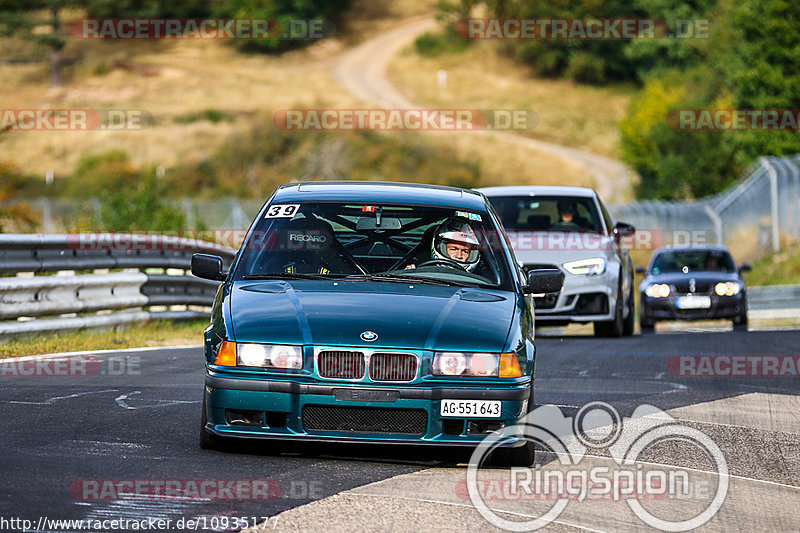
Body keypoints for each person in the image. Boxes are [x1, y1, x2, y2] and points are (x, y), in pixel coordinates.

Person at [405, 218, 481, 272]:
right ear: (441, 247)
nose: (459, 256)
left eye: (465, 251)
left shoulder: (481, 282)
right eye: (453, 249)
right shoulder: (421, 270)